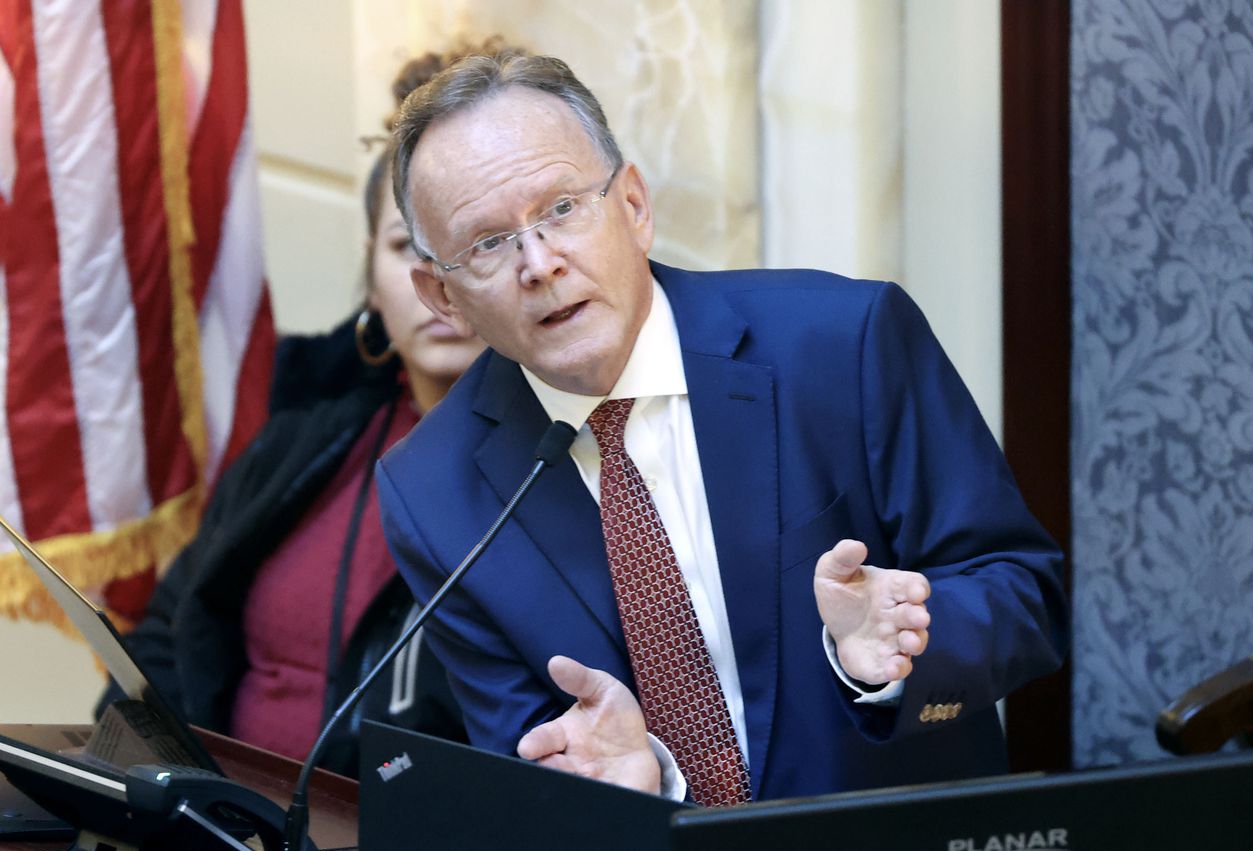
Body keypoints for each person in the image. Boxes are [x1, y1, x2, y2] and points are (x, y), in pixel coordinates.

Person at [376, 52, 1069, 803]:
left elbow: (1025, 593)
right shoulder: (432, 492)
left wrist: (895, 650)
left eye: (562, 209)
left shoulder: (843, 345)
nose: (538, 263)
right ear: (442, 297)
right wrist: (628, 786)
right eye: (487, 243)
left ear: (635, 206)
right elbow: (534, 757)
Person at [98, 49, 501, 777]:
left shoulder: (553, 467)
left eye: (475, 248)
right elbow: (167, 629)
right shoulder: (308, 428)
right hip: (222, 845)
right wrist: (147, 785)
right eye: (410, 246)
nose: (438, 283)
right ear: (373, 274)